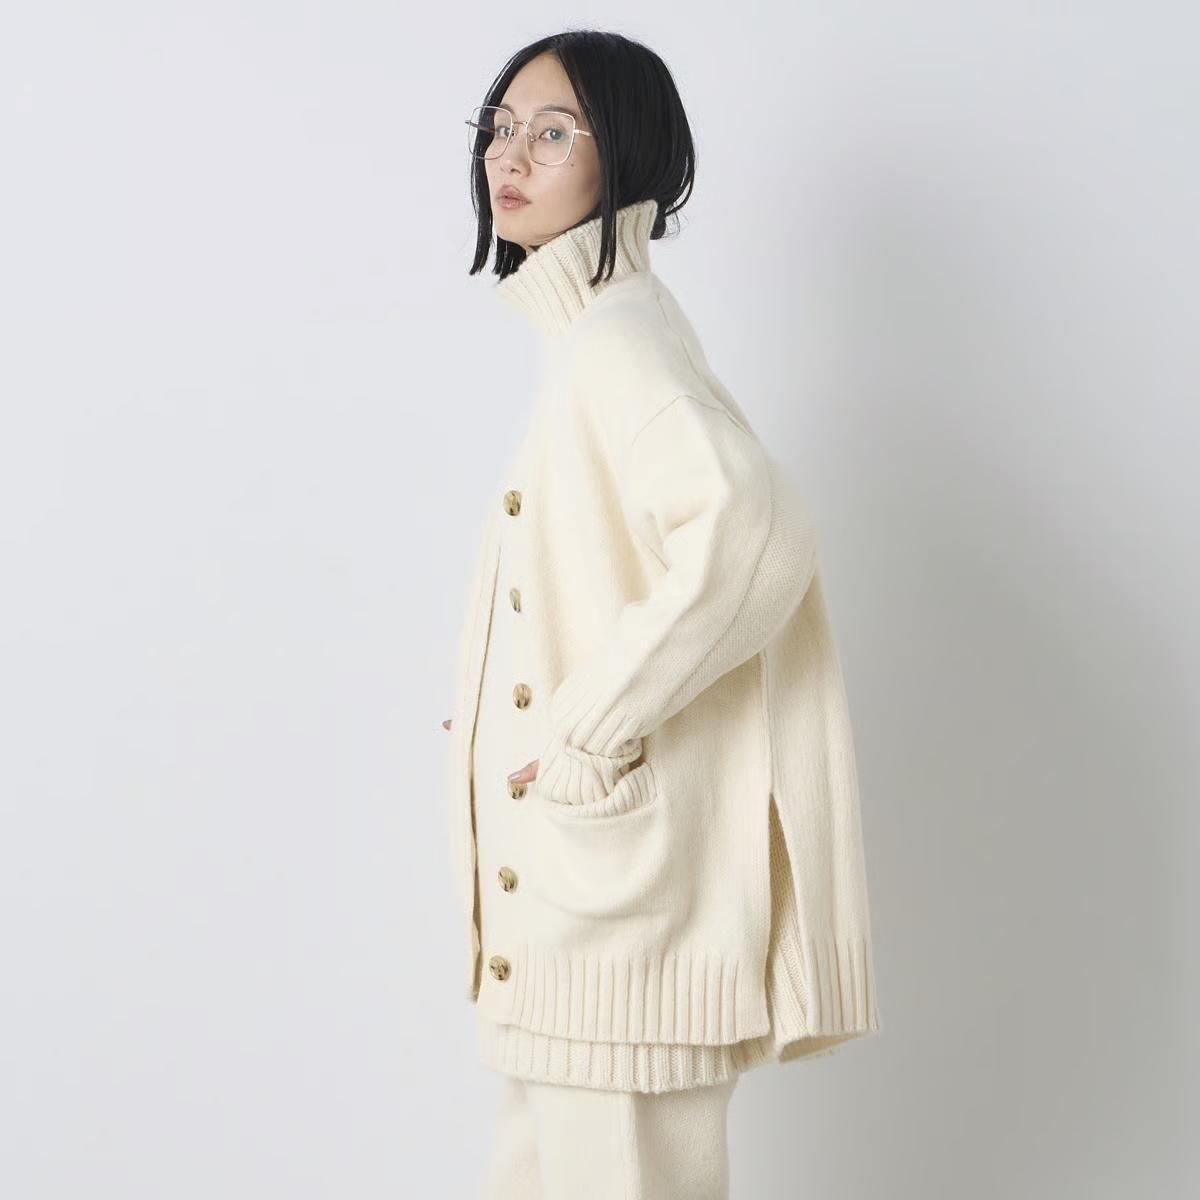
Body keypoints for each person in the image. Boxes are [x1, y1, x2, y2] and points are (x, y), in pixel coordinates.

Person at [443, 29, 882, 1200]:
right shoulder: (594, 335)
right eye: (500, 126)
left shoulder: (616, 342)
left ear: (626, 152)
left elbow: (753, 528)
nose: (510, 156)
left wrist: (586, 729)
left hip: (616, 912)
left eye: (553, 132)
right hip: (579, 919)